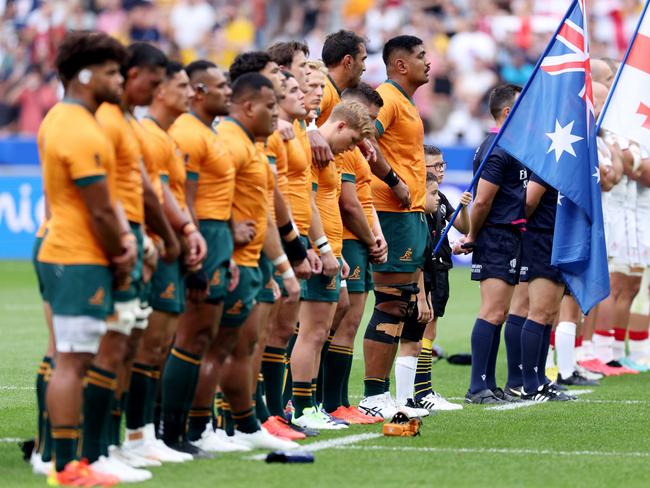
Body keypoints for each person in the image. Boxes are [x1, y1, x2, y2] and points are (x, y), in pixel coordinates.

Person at [38, 31, 133, 487]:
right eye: (113, 72)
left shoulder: (80, 120)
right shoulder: (76, 126)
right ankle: (63, 466)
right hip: (76, 255)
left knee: (80, 358)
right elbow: (97, 205)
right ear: (86, 74)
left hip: (81, 253)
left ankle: (72, 461)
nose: (120, 80)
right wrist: (122, 250)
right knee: (73, 361)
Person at [93, 43, 181, 479]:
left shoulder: (127, 122)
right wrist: (140, 238)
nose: (161, 88)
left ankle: (124, 441)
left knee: (128, 347)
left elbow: (145, 189)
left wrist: (160, 235)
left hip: (136, 235)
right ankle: (87, 448)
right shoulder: (105, 120)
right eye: (156, 80)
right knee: (95, 350)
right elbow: (102, 188)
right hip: (112, 240)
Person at [121, 61, 206, 463]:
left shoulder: (167, 137)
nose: (190, 93)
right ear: (159, 91)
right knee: (147, 344)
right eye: (182, 85)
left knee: (158, 345)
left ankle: (146, 434)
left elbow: (172, 194)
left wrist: (187, 232)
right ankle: (136, 435)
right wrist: (179, 235)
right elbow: (150, 195)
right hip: (154, 246)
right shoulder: (149, 135)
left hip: (168, 244)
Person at [164, 60, 238, 456]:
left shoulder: (204, 133)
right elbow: (185, 200)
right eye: (220, 85)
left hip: (216, 237)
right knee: (191, 337)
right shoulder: (188, 134)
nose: (228, 90)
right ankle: (174, 430)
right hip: (203, 237)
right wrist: (196, 251)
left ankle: (189, 427)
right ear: (198, 91)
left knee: (202, 337)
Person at [290, 98, 375, 430]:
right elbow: (307, 203)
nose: (349, 149)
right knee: (309, 332)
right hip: (315, 249)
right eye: (352, 141)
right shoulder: (313, 151)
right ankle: (300, 405)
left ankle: (308, 404)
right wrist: (322, 247)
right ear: (340, 126)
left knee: (319, 329)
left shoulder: (328, 154)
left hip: (330, 250)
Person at [357, 35, 431, 419]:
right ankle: (373, 395)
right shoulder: (385, 97)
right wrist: (393, 180)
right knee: (389, 303)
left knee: (400, 304)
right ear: (400, 65)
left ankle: (382, 395)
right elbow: (365, 135)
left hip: (409, 214)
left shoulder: (407, 102)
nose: (428, 62)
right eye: (421, 56)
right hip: (391, 212)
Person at [456, 83, 528, 405]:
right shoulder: (498, 148)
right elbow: (482, 201)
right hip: (497, 234)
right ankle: (477, 387)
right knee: (493, 309)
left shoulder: (508, 146)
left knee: (500, 311)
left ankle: (490, 384)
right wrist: (473, 234)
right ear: (508, 112)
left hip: (507, 234)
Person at [322, 83, 387, 424]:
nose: (372, 128)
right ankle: (329, 401)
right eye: (370, 119)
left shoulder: (357, 148)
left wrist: (376, 235)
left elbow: (364, 197)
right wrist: (371, 237)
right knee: (341, 322)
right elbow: (348, 203)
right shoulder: (343, 149)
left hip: (354, 241)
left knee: (347, 321)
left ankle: (338, 401)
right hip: (345, 240)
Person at [404, 145, 468, 411]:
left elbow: (464, 226)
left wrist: (463, 208)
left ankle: (424, 388)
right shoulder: (421, 198)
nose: (441, 170)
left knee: (431, 327)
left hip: (442, 268)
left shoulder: (440, 197)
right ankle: (421, 390)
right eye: (436, 165)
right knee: (422, 329)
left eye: (443, 165)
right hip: (427, 270)